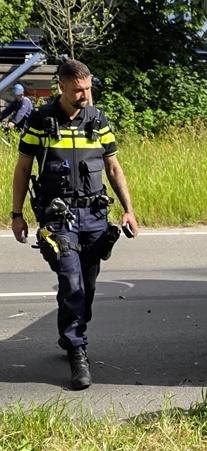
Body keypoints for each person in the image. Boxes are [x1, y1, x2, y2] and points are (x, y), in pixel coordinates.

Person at [10, 60, 139, 390]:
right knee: (71, 282)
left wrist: (128, 210)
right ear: (62, 87)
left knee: (87, 286)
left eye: (88, 89)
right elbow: (23, 168)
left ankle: (72, 331)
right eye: (79, 90)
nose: (85, 95)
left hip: (95, 216)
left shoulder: (97, 120)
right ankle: (77, 349)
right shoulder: (41, 120)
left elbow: (113, 168)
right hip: (59, 218)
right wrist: (16, 214)